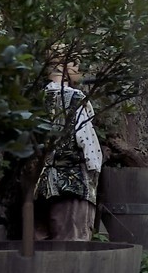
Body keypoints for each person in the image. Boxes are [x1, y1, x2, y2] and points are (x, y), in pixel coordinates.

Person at [37, 52, 103, 242]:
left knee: (40, 240)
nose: (80, 70)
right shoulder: (74, 99)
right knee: (73, 241)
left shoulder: (38, 98)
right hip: (72, 183)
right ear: (66, 67)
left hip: (40, 184)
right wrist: (94, 171)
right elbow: (87, 143)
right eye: (77, 64)